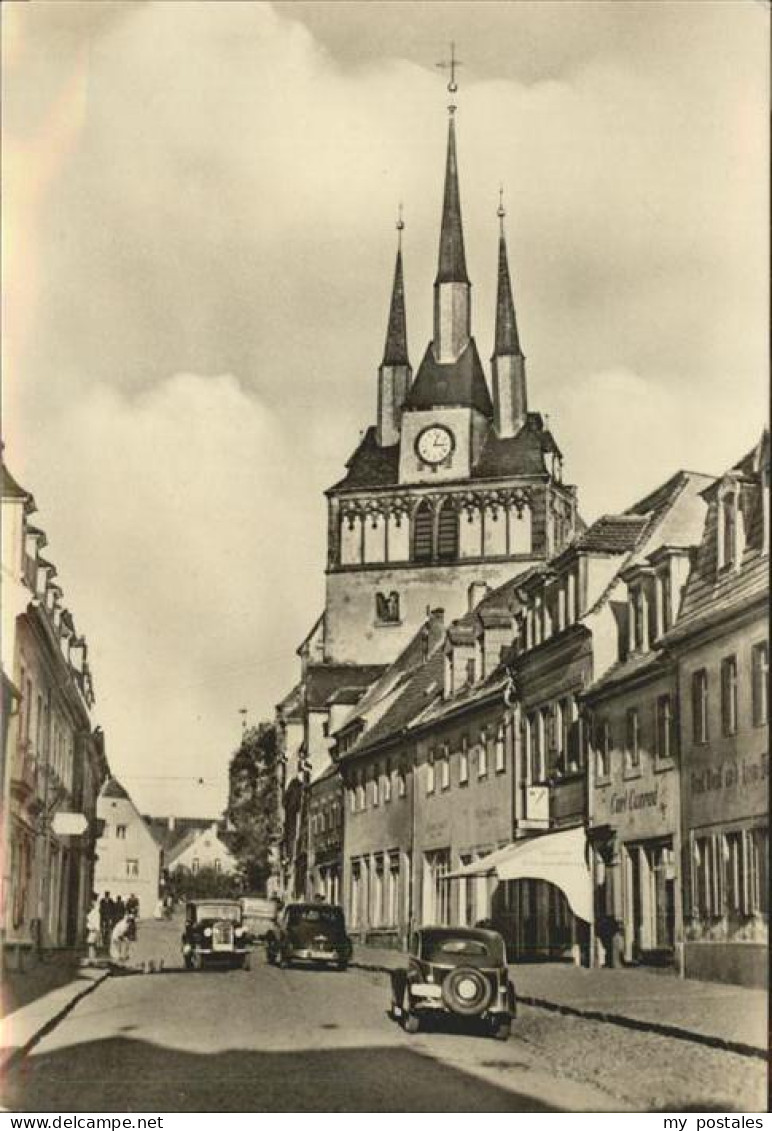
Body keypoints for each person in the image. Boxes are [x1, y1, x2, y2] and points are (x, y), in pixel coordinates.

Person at [86, 894, 101, 965]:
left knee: (91, 944)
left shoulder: (95, 912)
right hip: (93, 930)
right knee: (91, 945)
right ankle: (92, 958)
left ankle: (92, 959)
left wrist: (96, 929)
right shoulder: (94, 911)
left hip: (93, 930)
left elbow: (95, 922)